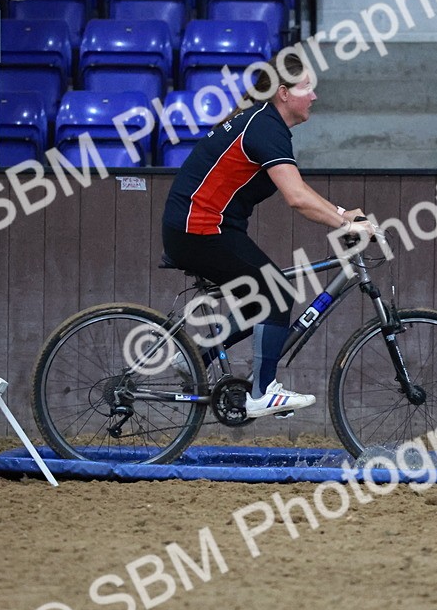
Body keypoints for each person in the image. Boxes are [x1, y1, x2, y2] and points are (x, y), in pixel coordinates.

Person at [161, 54, 377, 419]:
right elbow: (296, 198)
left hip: (199, 228)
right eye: (307, 87)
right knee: (275, 292)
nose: (314, 96)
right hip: (198, 229)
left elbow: (300, 189)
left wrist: (341, 214)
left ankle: (196, 356)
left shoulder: (266, 125)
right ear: (283, 93)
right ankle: (262, 393)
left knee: (258, 299)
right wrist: (344, 224)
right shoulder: (265, 127)